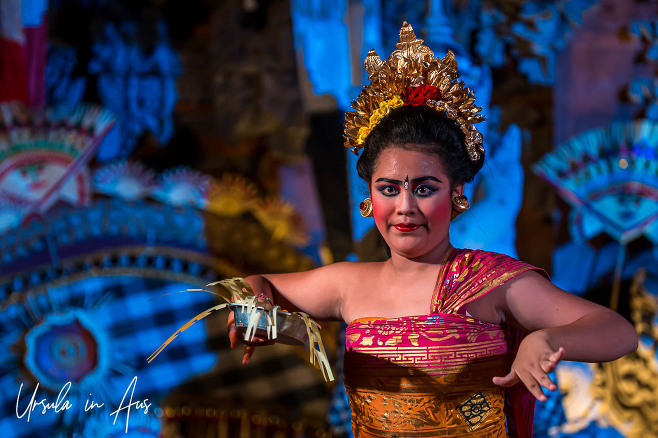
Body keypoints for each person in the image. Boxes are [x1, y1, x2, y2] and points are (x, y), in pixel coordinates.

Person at [227, 23, 637, 437]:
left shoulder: (488, 281)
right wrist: (254, 305)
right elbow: (252, 285)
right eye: (389, 189)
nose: (405, 207)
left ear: (456, 193)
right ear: (370, 195)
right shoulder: (345, 284)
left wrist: (546, 340)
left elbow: (618, 332)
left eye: (424, 189)